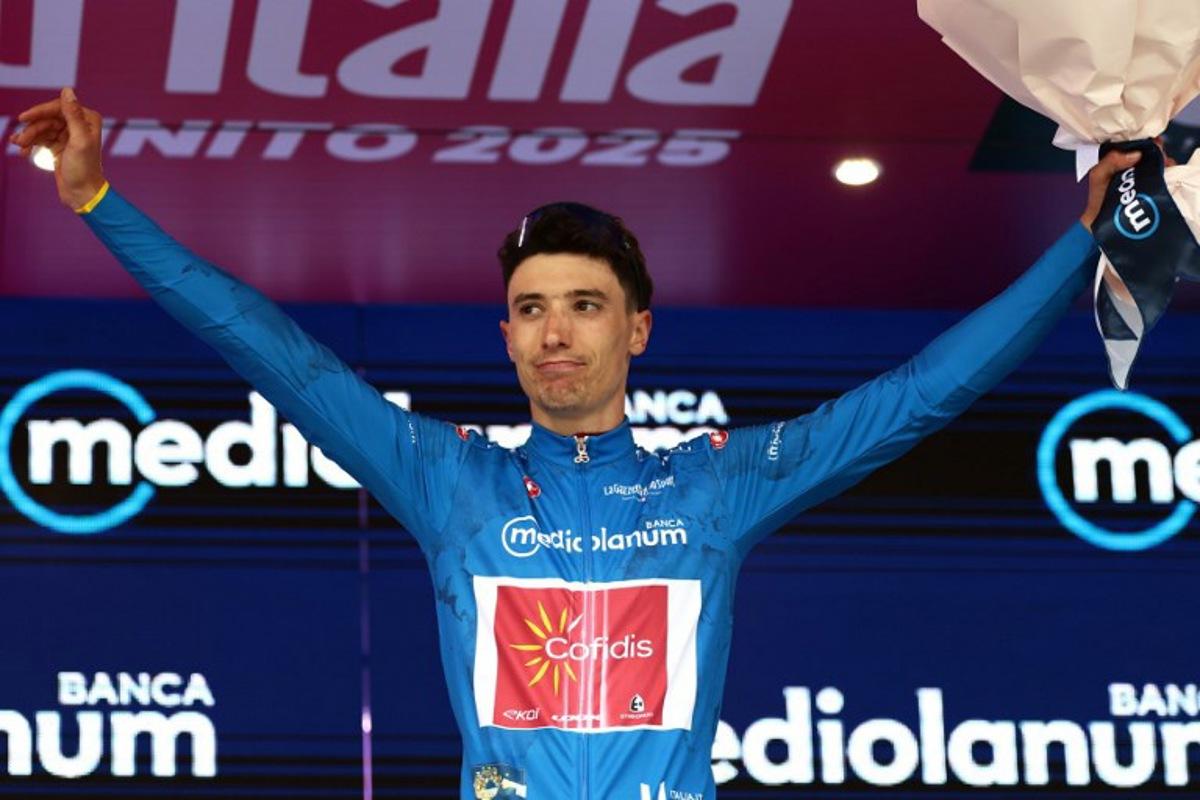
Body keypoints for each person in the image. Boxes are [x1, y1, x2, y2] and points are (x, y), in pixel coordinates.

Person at [12, 87, 1136, 799]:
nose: (557, 329)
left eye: (586, 303)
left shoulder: (718, 482)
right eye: (534, 306)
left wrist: (1079, 244)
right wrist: (100, 199)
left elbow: (923, 392)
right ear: (504, 335)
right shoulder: (448, 476)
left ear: (637, 326)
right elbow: (265, 348)